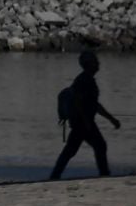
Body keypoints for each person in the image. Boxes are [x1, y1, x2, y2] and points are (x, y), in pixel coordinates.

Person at [50, 50, 121, 180]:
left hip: (82, 122)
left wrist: (111, 119)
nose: (98, 63)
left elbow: (95, 105)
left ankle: (55, 175)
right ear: (89, 64)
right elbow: (79, 102)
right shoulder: (83, 80)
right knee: (97, 146)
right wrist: (86, 121)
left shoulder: (86, 79)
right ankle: (104, 174)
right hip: (82, 122)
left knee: (73, 150)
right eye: (95, 61)